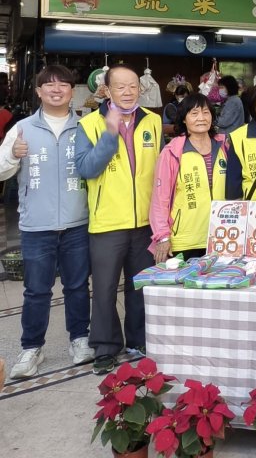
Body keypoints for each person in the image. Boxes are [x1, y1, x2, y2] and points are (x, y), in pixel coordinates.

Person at [0, 65, 92, 378]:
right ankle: (32, 348)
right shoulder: (22, 128)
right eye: (49, 85)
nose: (56, 89)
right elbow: (1, 170)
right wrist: (13, 154)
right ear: (38, 92)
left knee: (77, 286)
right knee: (36, 290)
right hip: (37, 226)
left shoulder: (85, 127)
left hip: (77, 223)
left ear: (72, 91)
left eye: (63, 84)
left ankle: (79, 339)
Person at [75, 65, 162, 375]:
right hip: (107, 222)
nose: (127, 92)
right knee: (104, 289)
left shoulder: (153, 121)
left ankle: (139, 341)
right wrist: (110, 134)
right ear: (107, 90)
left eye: (133, 86)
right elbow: (87, 168)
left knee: (141, 286)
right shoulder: (88, 124)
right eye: (120, 87)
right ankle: (105, 346)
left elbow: (161, 170)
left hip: (145, 223)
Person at [150, 93, 230, 263]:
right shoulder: (172, 152)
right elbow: (160, 198)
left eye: (206, 112)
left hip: (221, 237)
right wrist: (162, 236)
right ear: (184, 119)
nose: (201, 118)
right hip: (184, 240)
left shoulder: (224, 147)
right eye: (194, 113)